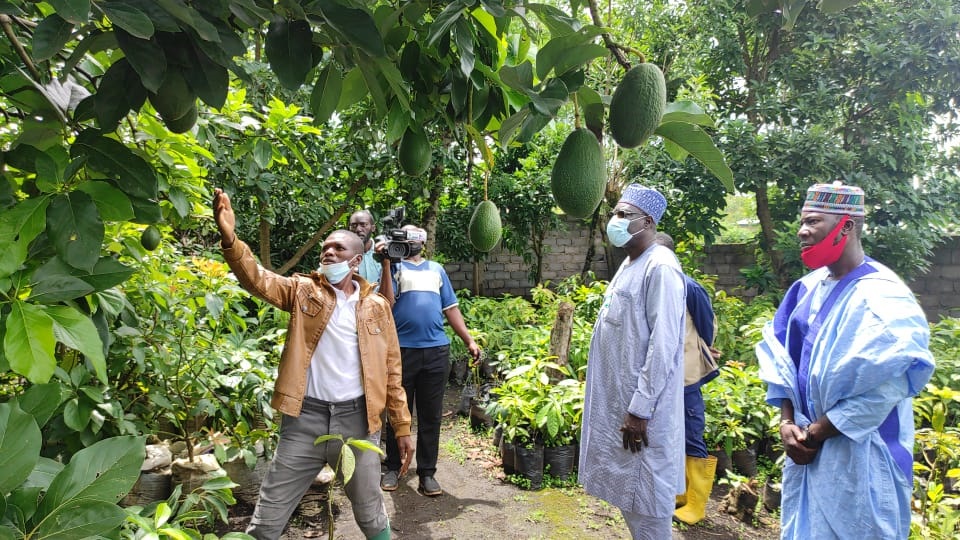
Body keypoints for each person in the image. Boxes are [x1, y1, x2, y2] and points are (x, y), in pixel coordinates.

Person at [212, 188, 415, 540]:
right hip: (303, 419)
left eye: (338, 248)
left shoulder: (377, 307)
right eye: (325, 249)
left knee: (370, 513)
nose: (329, 252)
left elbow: (392, 371)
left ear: (356, 260)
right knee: (268, 516)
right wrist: (231, 239)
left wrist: (401, 426)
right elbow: (260, 280)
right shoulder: (302, 290)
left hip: (358, 421)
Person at [756, 182, 935, 539]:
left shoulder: (883, 296)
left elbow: (885, 388)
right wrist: (786, 421)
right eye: (801, 222)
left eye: (814, 221)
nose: (802, 231)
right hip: (805, 451)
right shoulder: (805, 289)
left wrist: (813, 433)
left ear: (848, 225)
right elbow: (781, 361)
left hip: (863, 457)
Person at [579, 184, 687, 539]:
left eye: (623, 215)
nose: (614, 220)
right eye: (614, 213)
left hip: (643, 414)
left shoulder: (662, 267)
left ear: (648, 221)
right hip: (622, 407)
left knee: (648, 507)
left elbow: (665, 344)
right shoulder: (631, 263)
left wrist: (640, 409)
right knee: (632, 502)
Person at [380, 225, 482, 497]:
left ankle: (427, 473)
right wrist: (387, 262)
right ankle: (392, 466)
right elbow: (385, 301)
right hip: (401, 350)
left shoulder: (436, 270)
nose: (411, 245)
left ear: (422, 244)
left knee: (430, 415)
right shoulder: (393, 268)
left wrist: (468, 340)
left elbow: (451, 308)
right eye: (406, 241)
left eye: (415, 241)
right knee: (397, 412)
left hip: (436, 350)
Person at [653, 232, 722, 525]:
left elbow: (706, 326)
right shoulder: (656, 285)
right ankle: (679, 494)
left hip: (686, 375)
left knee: (692, 432)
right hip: (661, 376)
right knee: (671, 433)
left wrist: (701, 346)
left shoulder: (688, 287)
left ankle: (696, 504)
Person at [349, 209, 390, 288]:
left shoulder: (384, 252)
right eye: (354, 226)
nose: (358, 229)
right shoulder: (343, 254)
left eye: (363, 225)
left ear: (373, 228)